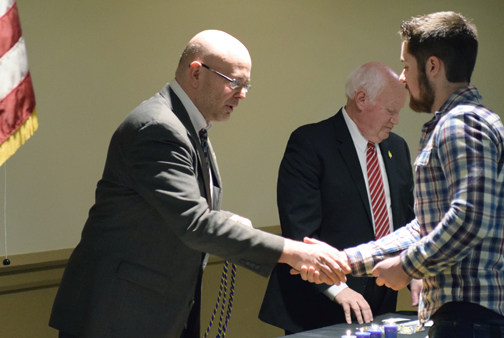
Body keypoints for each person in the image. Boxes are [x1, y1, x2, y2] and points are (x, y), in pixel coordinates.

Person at [48, 29, 350, 338]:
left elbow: (173, 210)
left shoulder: (189, 127)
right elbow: (194, 223)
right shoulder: (159, 128)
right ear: (196, 72)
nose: (242, 94)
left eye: (246, 85)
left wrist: (224, 219)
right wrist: (293, 251)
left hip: (156, 310)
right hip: (117, 314)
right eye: (234, 82)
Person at [300, 12, 504, 338]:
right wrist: (346, 261)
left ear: (433, 66)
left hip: (476, 317)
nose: (403, 79)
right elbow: (425, 227)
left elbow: (470, 219)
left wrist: (406, 267)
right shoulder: (456, 123)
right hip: (468, 316)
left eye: (406, 66)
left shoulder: (461, 123)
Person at [258, 62, 418, 334]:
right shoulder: (311, 143)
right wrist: (338, 289)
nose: (396, 120)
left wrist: (415, 269)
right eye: (391, 111)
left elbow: (408, 218)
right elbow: (300, 231)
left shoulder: (398, 147)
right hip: (320, 305)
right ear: (361, 99)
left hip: (381, 301)